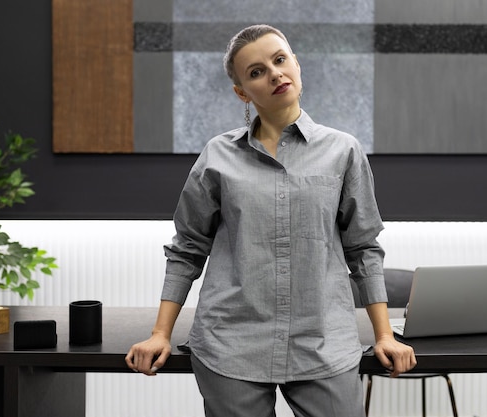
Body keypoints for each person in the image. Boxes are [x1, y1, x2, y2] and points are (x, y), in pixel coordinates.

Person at [125, 24, 416, 417]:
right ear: (242, 92)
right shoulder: (217, 156)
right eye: (257, 71)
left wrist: (385, 336)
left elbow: (363, 247)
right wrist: (160, 334)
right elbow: (187, 249)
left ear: (295, 63)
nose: (275, 73)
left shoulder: (343, 151)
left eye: (280, 60)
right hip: (232, 343)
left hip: (323, 342)